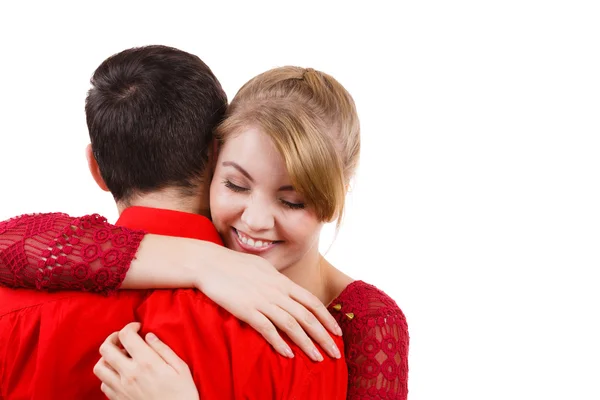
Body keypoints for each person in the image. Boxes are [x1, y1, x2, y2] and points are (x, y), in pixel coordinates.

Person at [0, 61, 409, 399]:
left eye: (292, 201)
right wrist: (202, 262)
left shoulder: (357, 327)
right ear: (212, 162)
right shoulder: (197, 279)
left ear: (337, 196)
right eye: (235, 184)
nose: (254, 221)